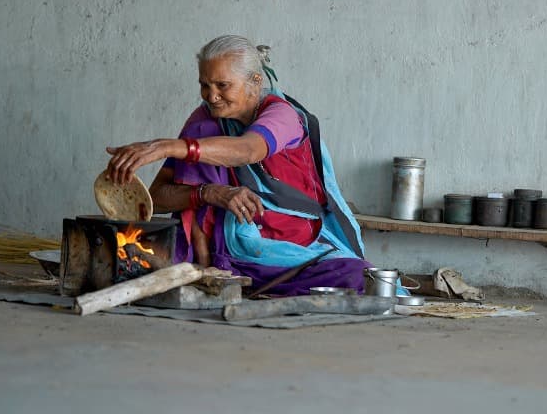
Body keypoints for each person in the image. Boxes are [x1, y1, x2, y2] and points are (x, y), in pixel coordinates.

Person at [105, 35, 371, 295]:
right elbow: (156, 199)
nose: (212, 96)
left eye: (222, 85)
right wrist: (207, 193)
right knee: (118, 256)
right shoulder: (204, 122)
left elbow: (247, 150)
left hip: (289, 246)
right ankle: (209, 270)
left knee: (356, 277)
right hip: (212, 250)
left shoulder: (282, 114)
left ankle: (226, 277)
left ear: (254, 81)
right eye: (204, 85)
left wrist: (167, 146)